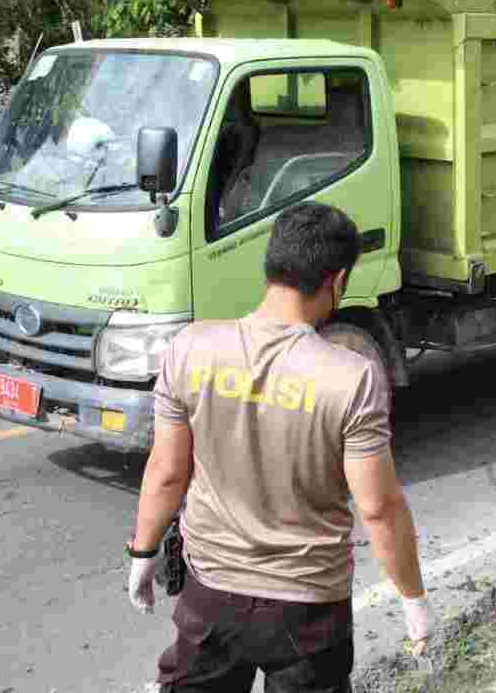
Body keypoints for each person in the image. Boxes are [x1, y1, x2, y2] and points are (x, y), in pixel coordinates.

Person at [128, 203, 435, 691]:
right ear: (336, 282)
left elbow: (167, 470)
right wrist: (413, 598)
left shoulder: (190, 348)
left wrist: (142, 552)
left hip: (211, 597)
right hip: (309, 610)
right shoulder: (352, 377)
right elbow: (378, 507)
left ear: (271, 266)